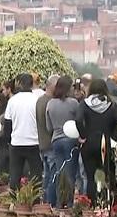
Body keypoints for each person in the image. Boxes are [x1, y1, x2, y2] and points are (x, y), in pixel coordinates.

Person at [75, 79, 117, 205]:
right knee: (108, 173)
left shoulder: (84, 104)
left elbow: (78, 120)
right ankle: (111, 202)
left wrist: (83, 135)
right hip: (107, 143)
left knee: (91, 176)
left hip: (89, 143)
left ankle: (92, 203)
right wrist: (114, 137)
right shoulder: (112, 104)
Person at [4, 74, 42, 190]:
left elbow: (7, 123)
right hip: (34, 142)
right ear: (32, 84)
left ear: (19, 84)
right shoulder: (37, 100)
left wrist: (9, 140)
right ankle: (35, 201)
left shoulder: (12, 101)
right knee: (36, 175)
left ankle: (15, 200)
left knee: (15, 174)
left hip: (16, 142)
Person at [46, 76, 79, 208]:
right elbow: (79, 122)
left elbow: (48, 127)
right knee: (70, 173)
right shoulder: (73, 103)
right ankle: (69, 203)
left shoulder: (50, 104)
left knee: (59, 172)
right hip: (70, 140)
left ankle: (60, 202)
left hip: (56, 140)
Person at [36, 75, 59, 203]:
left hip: (42, 143)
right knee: (53, 175)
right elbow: (49, 125)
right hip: (50, 143)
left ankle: (45, 201)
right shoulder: (50, 103)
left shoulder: (40, 100)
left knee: (47, 175)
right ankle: (50, 202)